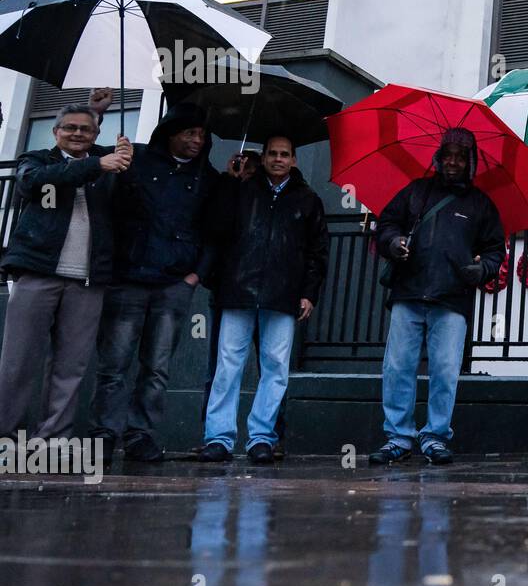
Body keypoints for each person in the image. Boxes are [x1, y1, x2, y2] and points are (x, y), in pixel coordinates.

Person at [88, 103, 218, 462]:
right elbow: (85, 154)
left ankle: (140, 435)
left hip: (173, 285)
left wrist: (195, 277)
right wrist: (98, 118)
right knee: (114, 363)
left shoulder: (209, 178)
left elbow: (216, 231)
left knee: (157, 367)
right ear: (171, 133)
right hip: (128, 278)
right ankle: (103, 434)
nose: (197, 140)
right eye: (190, 133)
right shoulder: (138, 159)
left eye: (202, 135)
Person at [370, 128, 506, 466]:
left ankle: (435, 436)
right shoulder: (416, 192)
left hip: (452, 298)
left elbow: (494, 250)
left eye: (461, 156)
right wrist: (393, 242)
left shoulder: (480, 204)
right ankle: (398, 437)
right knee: (398, 367)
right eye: (448, 154)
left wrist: (483, 270)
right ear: (439, 157)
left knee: (445, 370)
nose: (453, 161)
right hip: (409, 293)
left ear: (470, 161)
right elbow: (385, 223)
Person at [0, 104, 132, 445]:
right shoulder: (38, 160)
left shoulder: (107, 164)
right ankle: (6, 437)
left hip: (88, 281)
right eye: (69, 128)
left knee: (71, 367)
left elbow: (116, 166)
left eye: (85, 129)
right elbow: (34, 184)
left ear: (96, 134)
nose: (77, 133)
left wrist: (112, 150)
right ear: (55, 132)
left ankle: (52, 440)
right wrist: (96, 164)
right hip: (36, 274)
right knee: (18, 362)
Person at [199, 136, 328, 464]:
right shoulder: (242, 189)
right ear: (264, 156)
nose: (279, 159)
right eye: (273, 153)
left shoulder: (308, 199)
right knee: (227, 367)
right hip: (238, 289)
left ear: (294, 160)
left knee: (275, 368)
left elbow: (318, 252)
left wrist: (308, 293)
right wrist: (230, 180)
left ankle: (261, 437)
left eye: (285, 154)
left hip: (283, 294)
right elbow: (216, 227)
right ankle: (219, 437)